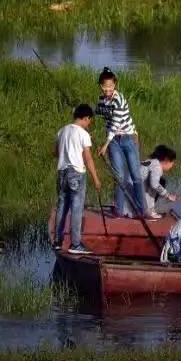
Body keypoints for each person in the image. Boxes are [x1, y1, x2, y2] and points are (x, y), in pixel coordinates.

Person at [95, 68, 147, 218]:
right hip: (113, 142)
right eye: (105, 87)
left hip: (128, 138)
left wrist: (105, 145)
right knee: (119, 177)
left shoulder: (119, 99)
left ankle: (140, 210)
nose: (108, 90)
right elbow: (98, 110)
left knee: (135, 176)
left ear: (115, 85)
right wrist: (85, 111)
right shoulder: (102, 100)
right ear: (100, 86)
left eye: (110, 87)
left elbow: (115, 124)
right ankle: (118, 210)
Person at [53, 104, 101, 255]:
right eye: (89, 121)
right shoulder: (83, 134)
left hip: (62, 172)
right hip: (76, 173)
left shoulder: (62, 131)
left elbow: (55, 152)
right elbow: (87, 158)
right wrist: (96, 178)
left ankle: (58, 241)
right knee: (76, 208)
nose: (89, 124)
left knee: (62, 207)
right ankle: (75, 244)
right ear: (86, 118)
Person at [140, 144, 178, 219]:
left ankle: (149, 210)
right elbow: (154, 184)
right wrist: (168, 195)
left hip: (132, 192)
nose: (172, 166)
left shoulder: (150, 161)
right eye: (172, 163)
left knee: (160, 182)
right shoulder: (157, 166)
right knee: (161, 182)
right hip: (136, 195)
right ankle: (149, 212)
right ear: (166, 160)